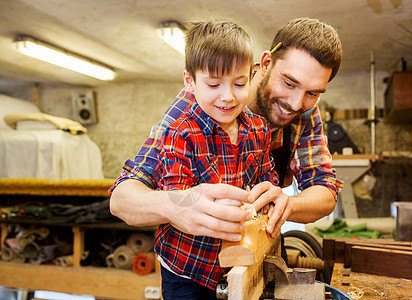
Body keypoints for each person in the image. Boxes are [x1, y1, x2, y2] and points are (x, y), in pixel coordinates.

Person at [110, 14, 343, 285]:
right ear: (266, 63)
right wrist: (176, 206)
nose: (295, 102)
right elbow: (122, 197)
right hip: (195, 270)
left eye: (312, 92)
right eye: (289, 83)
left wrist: (287, 203)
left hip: (259, 257)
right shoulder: (194, 107)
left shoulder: (305, 110)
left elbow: (326, 190)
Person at [144, 21, 279, 298]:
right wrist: (224, 204)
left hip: (239, 260)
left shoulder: (259, 128)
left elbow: (268, 176)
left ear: (251, 78)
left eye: (239, 83)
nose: (228, 96)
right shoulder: (179, 131)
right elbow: (178, 200)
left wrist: (268, 193)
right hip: (187, 268)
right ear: (190, 82)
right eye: (214, 84)